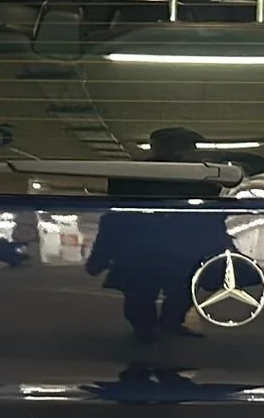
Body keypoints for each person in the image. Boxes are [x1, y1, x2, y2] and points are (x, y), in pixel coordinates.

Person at [84, 128, 235, 343]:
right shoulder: (140, 174)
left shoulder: (200, 175)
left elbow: (209, 216)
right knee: (143, 293)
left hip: (172, 248)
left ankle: (162, 325)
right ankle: (147, 329)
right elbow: (118, 215)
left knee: (179, 291)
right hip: (149, 247)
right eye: (181, 146)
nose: (183, 151)